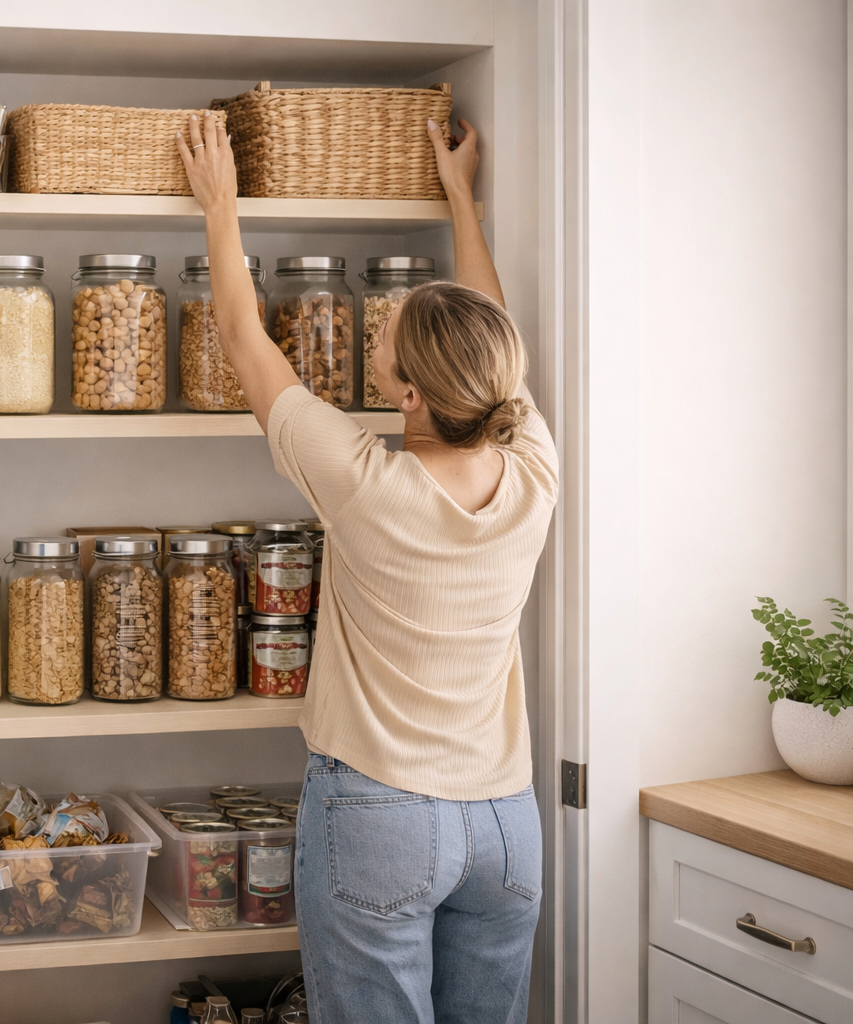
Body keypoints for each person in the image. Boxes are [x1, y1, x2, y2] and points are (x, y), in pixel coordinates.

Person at [179, 114, 558, 1023]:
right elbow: (489, 320)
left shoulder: (364, 483)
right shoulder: (536, 466)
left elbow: (242, 340)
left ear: (410, 394)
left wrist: (221, 203)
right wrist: (460, 195)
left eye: (389, 340)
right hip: (506, 824)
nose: (378, 340)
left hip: (382, 815)